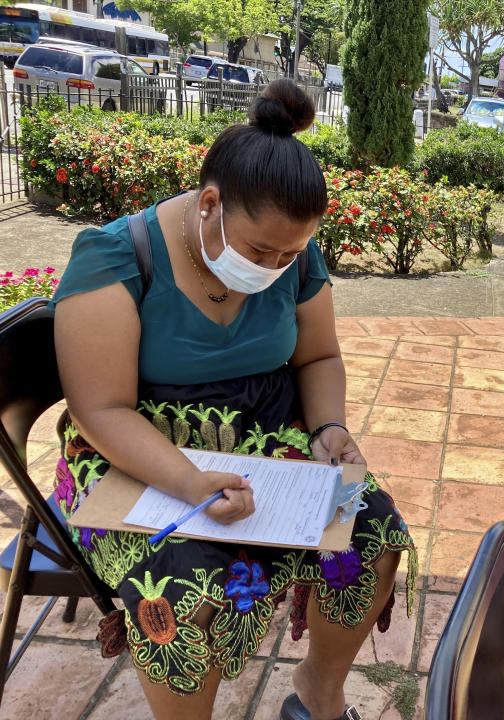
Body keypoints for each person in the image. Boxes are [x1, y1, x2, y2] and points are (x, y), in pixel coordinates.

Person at [52, 79, 415, 720]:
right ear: (210, 203)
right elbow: (100, 410)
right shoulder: (116, 256)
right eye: (259, 251)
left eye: (289, 253)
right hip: (134, 447)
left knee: (372, 530)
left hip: (261, 431)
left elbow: (319, 355)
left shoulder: (294, 257)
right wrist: (189, 482)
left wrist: (329, 426)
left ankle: (317, 692)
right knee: (185, 586)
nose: (274, 266)